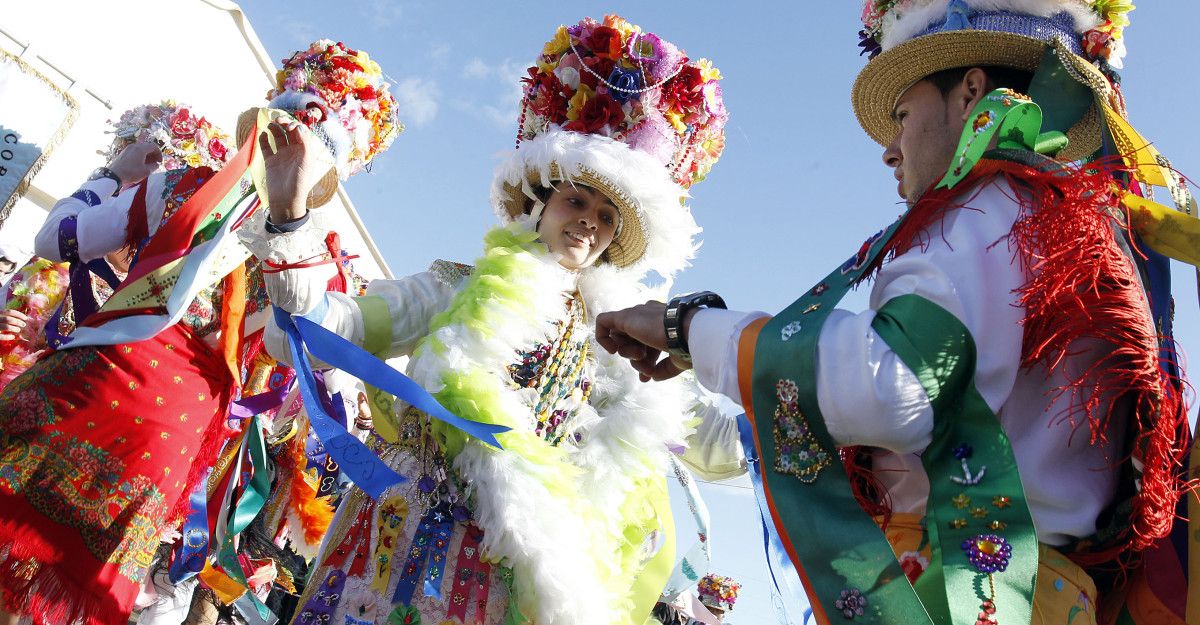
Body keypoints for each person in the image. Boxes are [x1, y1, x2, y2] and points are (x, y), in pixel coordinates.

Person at [596, 2, 1197, 624]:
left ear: (969, 94)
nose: (890, 149)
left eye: (903, 115)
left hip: (959, 593)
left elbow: (899, 387)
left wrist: (686, 326)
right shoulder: (1067, 227)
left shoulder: (986, 208)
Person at [251, 15, 729, 625]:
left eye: (607, 215)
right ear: (540, 204)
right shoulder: (457, 286)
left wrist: (803, 412)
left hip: (509, 575)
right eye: (575, 199)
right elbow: (322, 330)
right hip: (397, 545)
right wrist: (291, 221)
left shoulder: (620, 336)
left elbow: (699, 433)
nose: (587, 221)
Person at [0, 40, 400, 625]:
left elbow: (54, 240)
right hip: (174, 429)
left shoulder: (181, 186)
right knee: (68, 586)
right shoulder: (323, 266)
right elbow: (299, 372)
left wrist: (113, 174)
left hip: (96, 376)